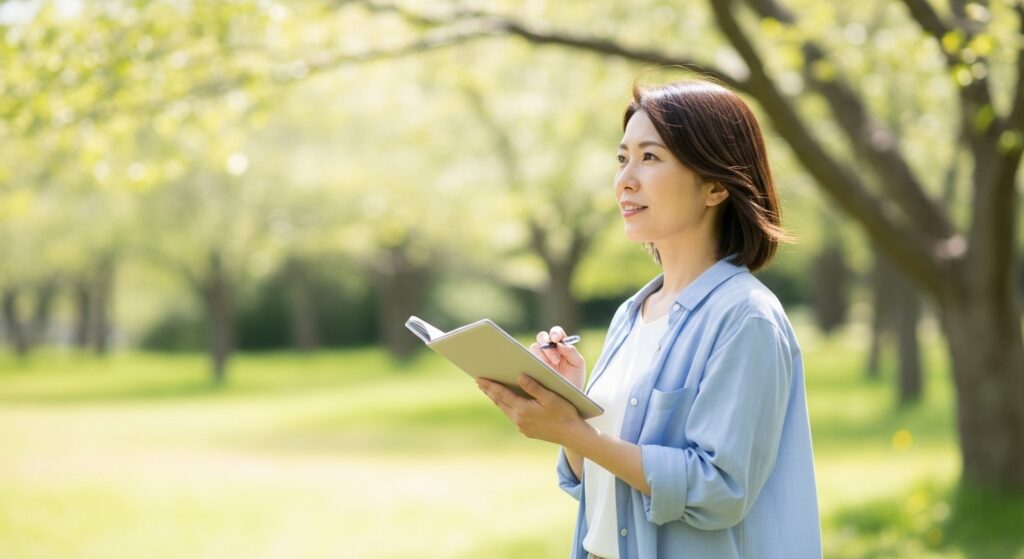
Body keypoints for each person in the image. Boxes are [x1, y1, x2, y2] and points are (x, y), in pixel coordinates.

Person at [476, 79, 822, 559]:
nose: (624, 180)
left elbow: (719, 490)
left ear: (717, 184)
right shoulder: (631, 314)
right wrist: (570, 410)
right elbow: (596, 486)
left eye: (651, 157)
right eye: (622, 159)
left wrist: (576, 433)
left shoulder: (745, 317)